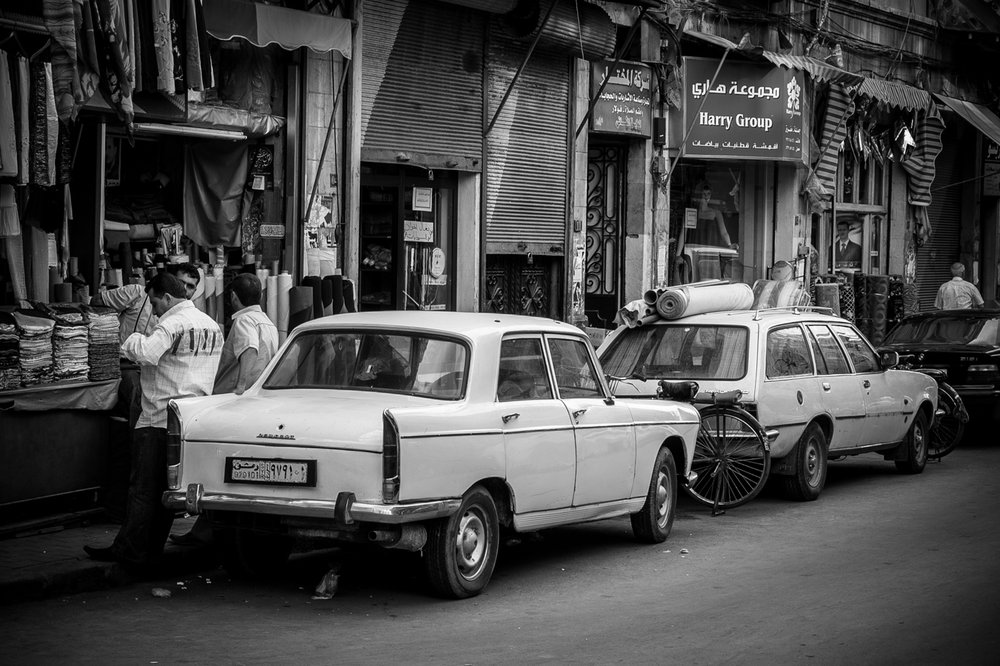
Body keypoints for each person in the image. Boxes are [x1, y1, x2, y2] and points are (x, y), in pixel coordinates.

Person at [84, 272, 222, 569]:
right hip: (189, 421)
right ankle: (148, 551)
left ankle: (131, 553)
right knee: (166, 493)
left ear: (167, 298)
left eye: (155, 302)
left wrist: (131, 338)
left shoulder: (170, 324)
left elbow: (146, 354)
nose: (154, 309)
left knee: (143, 490)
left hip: (158, 417)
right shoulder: (212, 326)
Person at [169, 273, 279, 547]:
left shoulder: (243, 320)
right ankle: (207, 530)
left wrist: (240, 388)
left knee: (215, 469)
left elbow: (250, 349)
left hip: (235, 403)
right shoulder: (268, 322)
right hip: (258, 405)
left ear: (232, 298)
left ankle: (205, 532)